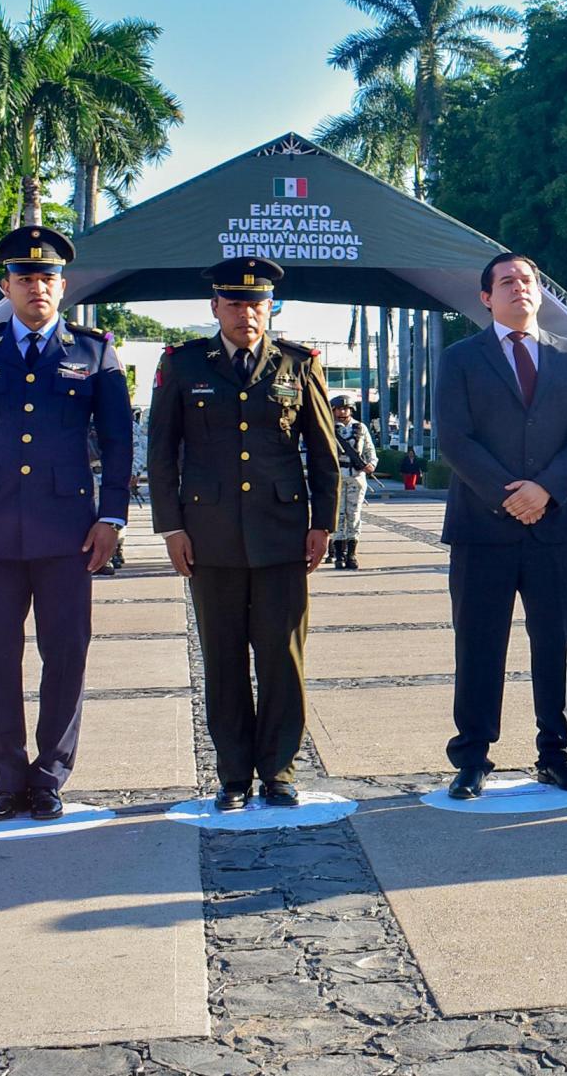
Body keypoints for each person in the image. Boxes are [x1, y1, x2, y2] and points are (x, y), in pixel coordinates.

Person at [0, 225, 133, 822]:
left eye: (47, 278)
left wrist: (112, 517)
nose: (36, 287)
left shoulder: (93, 352)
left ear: (62, 287)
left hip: (70, 530)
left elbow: (119, 445)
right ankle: (6, 778)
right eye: (25, 278)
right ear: (7, 286)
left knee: (66, 654)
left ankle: (49, 776)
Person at [149, 256, 338, 811]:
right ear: (215, 307)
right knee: (223, 657)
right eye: (234, 303)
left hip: (283, 534)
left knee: (283, 657)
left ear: (270, 308)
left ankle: (279, 769)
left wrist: (323, 523)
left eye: (257, 304)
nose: (246, 313)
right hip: (209, 536)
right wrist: (171, 527)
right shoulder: (184, 365)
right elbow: (162, 455)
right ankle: (233, 772)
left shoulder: (298, 364)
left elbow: (324, 456)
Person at [434, 252, 567, 799]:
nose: (519, 287)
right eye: (507, 281)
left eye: (528, 279)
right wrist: (509, 495)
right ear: (486, 297)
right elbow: (455, 438)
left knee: (557, 643)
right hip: (482, 527)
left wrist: (545, 490)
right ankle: (473, 757)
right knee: (479, 644)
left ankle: (556, 753)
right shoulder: (461, 359)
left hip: (554, 526)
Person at [329, 394, 378, 569]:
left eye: (346, 408)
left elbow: (369, 450)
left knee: (354, 514)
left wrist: (371, 464)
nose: (343, 411)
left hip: (356, 476)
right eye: (340, 408)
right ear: (333, 410)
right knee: (338, 515)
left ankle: (352, 553)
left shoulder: (360, 428)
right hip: (336, 477)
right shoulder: (327, 427)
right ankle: (339, 554)